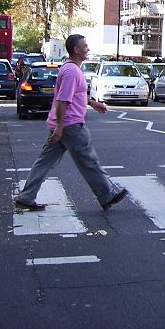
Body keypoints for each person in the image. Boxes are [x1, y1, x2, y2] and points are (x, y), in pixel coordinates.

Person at [15, 34, 128, 212]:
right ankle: (107, 195)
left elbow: (74, 95)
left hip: (63, 125)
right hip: (70, 125)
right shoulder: (71, 71)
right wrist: (60, 127)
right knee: (89, 161)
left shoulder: (72, 69)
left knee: (44, 162)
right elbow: (63, 100)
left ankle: (25, 197)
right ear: (76, 49)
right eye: (85, 46)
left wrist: (91, 103)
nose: (88, 49)